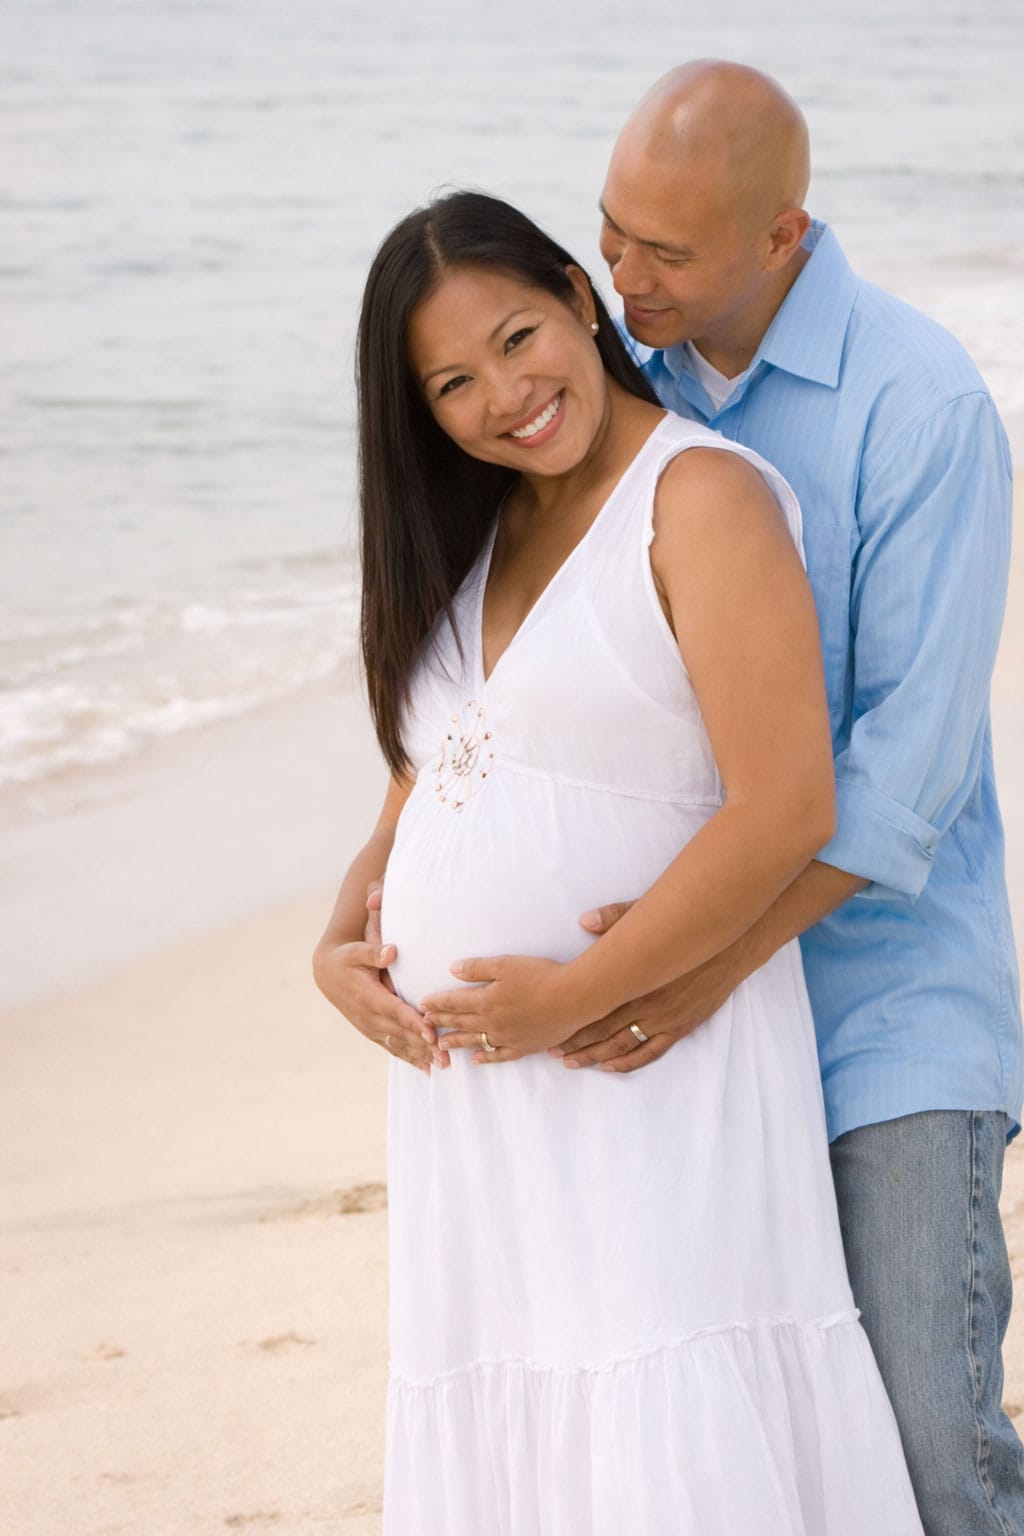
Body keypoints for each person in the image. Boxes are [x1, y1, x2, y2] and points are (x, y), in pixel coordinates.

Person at [314, 189, 922, 1533]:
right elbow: (436, 757)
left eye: (521, 337)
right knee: (528, 1410)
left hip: (644, 1053)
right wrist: (340, 937)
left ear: (582, 300)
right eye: (454, 383)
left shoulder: (698, 499)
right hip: (477, 1100)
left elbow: (785, 806)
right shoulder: (477, 524)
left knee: (668, 1399)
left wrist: (573, 994)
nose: (506, 396)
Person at [537, 60, 1020, 1536]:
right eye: (611, 232)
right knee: (751, 1450)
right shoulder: (618, 387)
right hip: (682, 1011)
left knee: (936, 1440)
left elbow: (908, 778)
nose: (622, 277)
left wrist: (701, 966)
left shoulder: (922, 406)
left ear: (782, 237)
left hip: (886, 1002)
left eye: (664, 252)